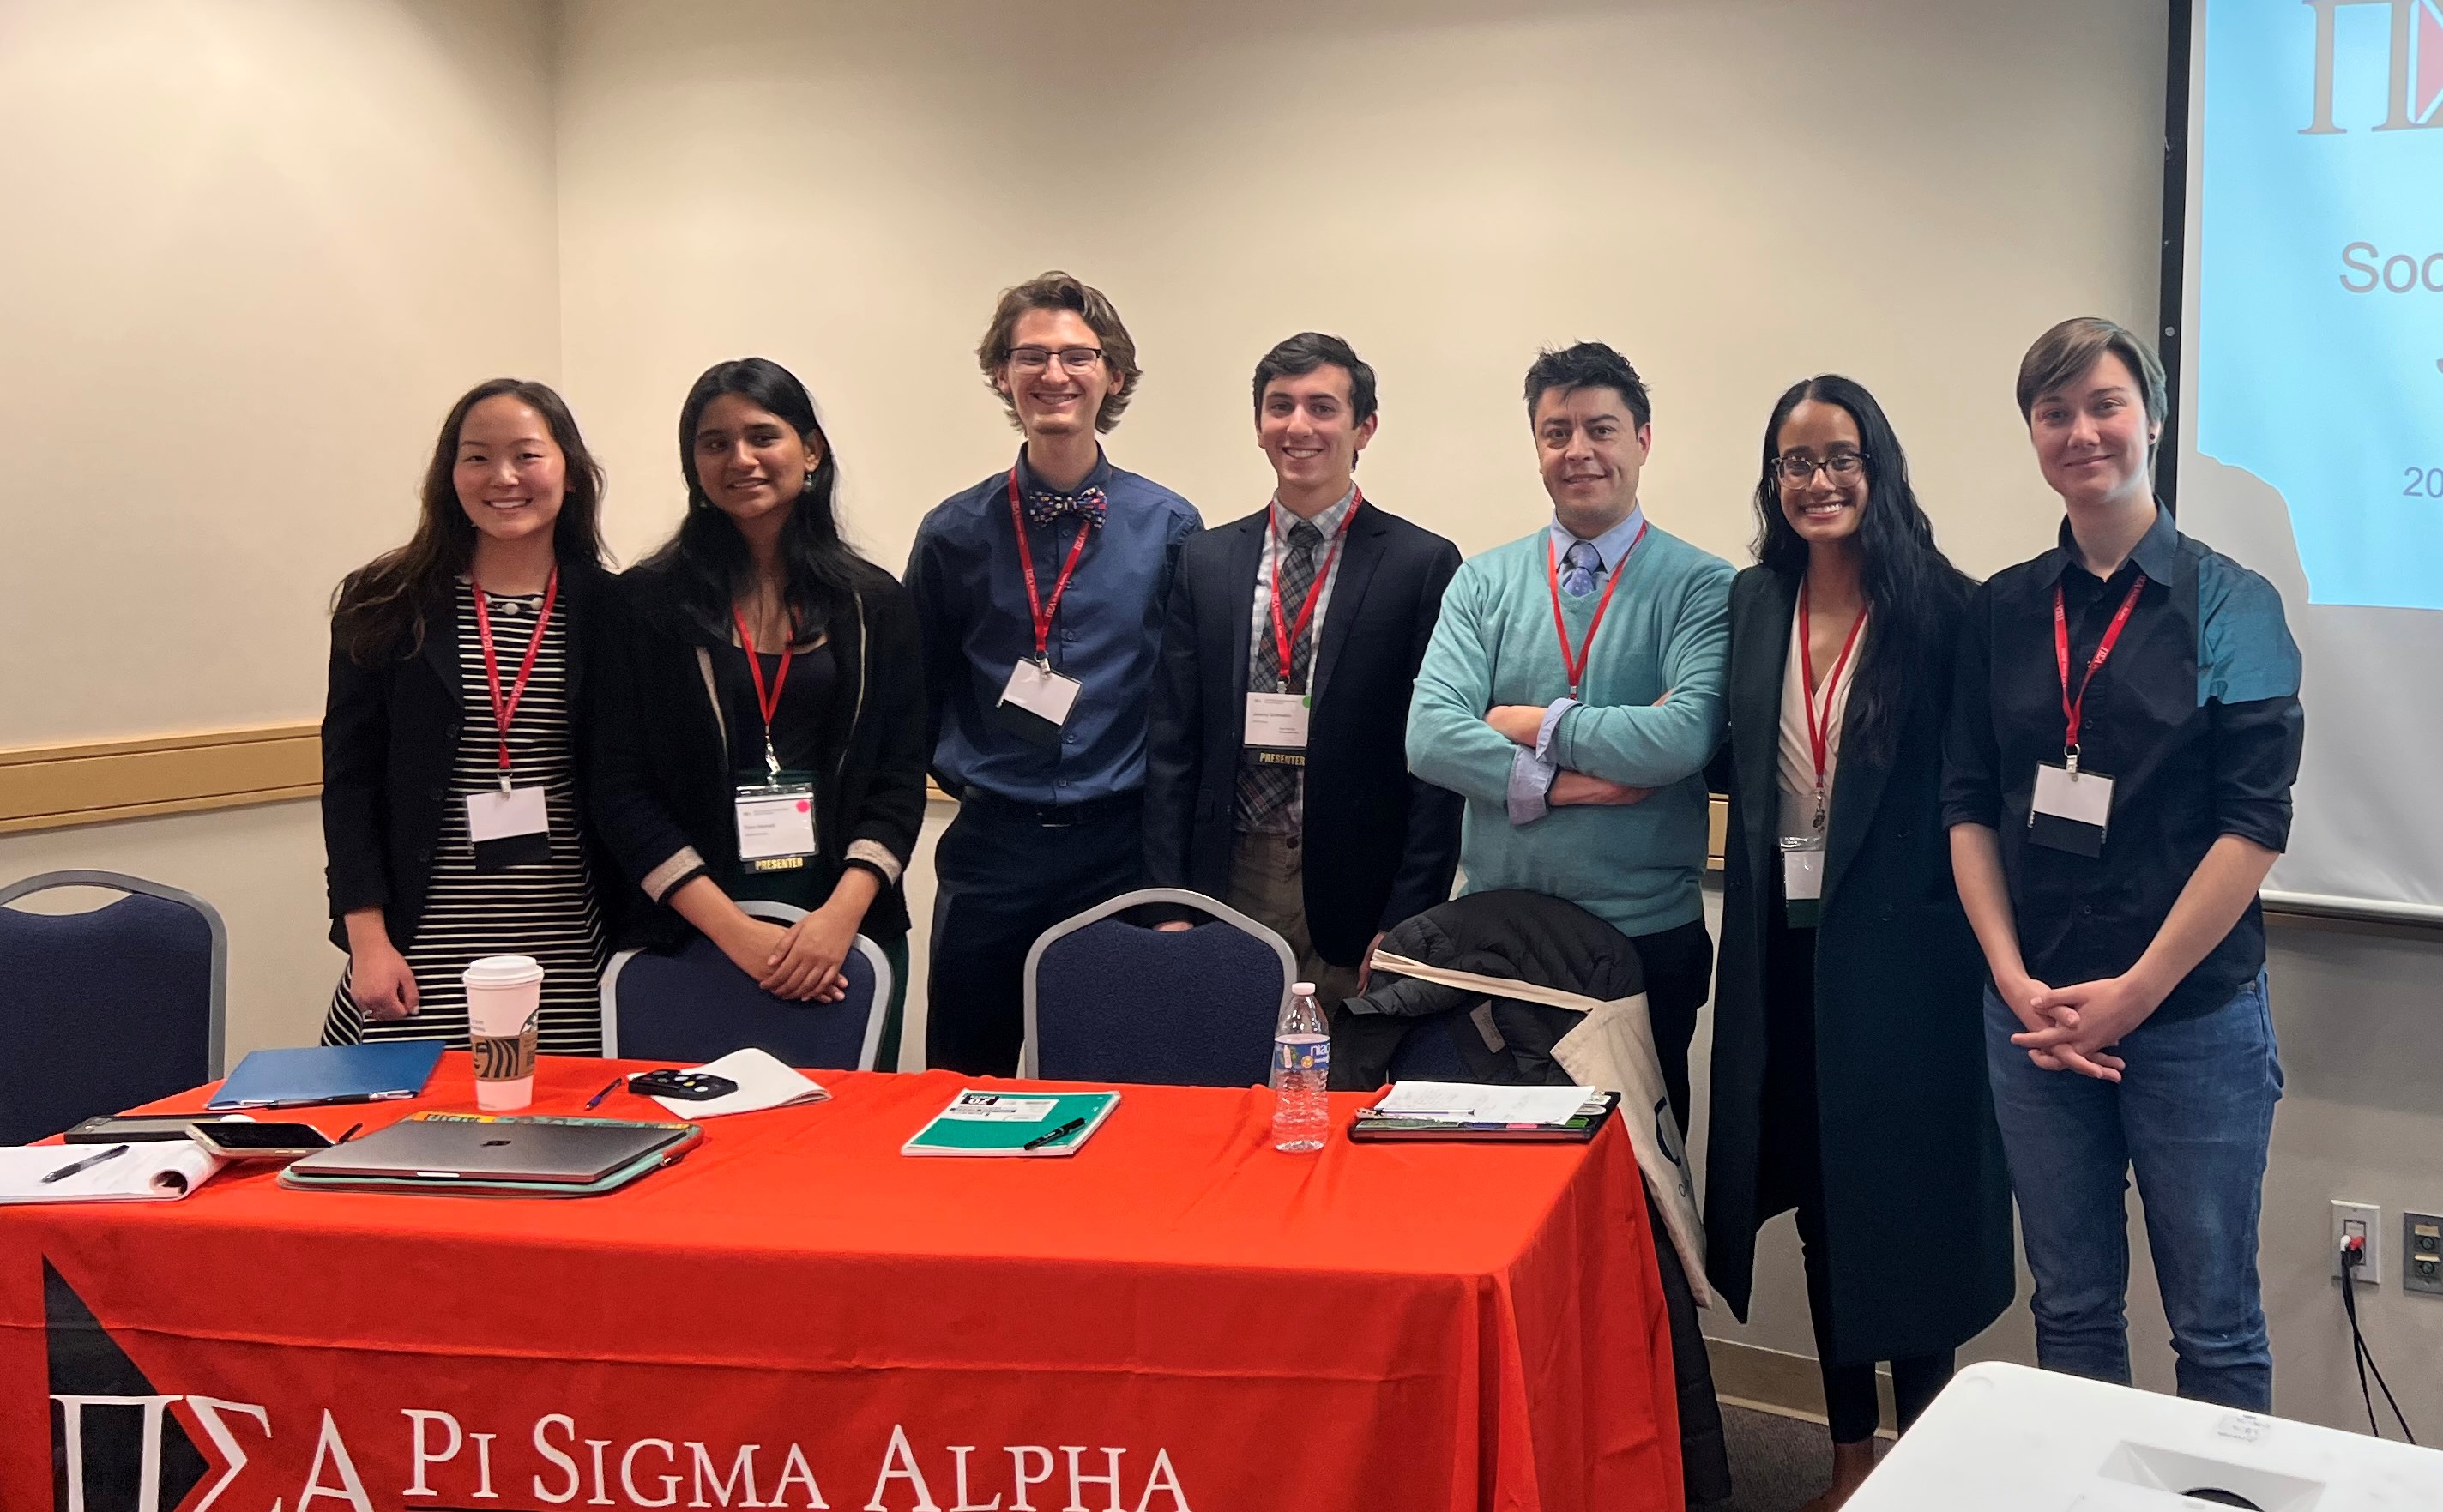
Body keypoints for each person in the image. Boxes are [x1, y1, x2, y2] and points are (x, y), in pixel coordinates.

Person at [1944, 318, 2303, 1410]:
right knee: (2071, 1309)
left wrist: (2132, 997)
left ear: (2149, 416)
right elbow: (1965, 804)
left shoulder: (2236, 603)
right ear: (2033, 435)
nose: (2080, 430)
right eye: (2054, 412)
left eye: (2102, 404)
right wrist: (2013, 981)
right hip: (2037, 1020)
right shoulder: (1999, 608)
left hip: (2190, 1019)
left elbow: (2253, 826)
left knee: (2217, 1324)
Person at [1704, 376, 2014, 1509]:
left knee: (1910, 1208)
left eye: (1839, 457)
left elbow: (1979, 795)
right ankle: (1845, 1456)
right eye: (1795, 462)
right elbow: (1715, 755)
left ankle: (1924, 1455)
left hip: (1910, 970)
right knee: (1826, 1203)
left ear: (1876, 469)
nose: (1818, 480)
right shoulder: (1750, 602)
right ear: (1772, 480)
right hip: (1782, 963)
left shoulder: (1946, 608)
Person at [1407, 341, 1733, 1124]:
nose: (1579, 450)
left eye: (1602, 428)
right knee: (1492, 1176)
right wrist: (1568, 781)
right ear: (1538, 447)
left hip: (1644, 934)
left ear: (1643, 441)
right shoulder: (1483, 580)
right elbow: (1430, 736)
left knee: (1638, 1177)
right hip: (1495, 935)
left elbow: (1681, 740)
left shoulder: (1706, 586)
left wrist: (1530, 723)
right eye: (1557, 432)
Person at [906, 272, 1202, 1075]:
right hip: (992, 849)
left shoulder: (1172, 527)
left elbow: (1186, 703)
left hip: (1119, 848)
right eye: (1030, 355)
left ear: (1112, 374)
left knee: (1122, 1082)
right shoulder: (953, 532)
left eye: (1077, 355)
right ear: (1003, 374)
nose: (1054, 374)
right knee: (966, 1081)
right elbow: (918, 692)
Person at [590, 358, 927, 1063]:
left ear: (810, 450)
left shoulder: (875, 604)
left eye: (761, 435)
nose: (739, 458)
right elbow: (618, 789)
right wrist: (733, 931)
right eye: (714, 442)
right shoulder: (642, 605)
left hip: (845, 923)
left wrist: (840, 915)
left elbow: (899, 778)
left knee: (839, 1144)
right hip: (690, 927)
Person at [1143, 333, 1463, 999]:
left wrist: (1408, 915)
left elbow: (1434, 766)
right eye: (1279, 406)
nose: (1298, 426)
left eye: (1322, 407)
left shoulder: (1420, 563)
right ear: (1259, 425)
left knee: (1342, 1089)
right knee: (1222, 1079)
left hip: (1356, 890)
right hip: (1226, 875)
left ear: (1363, 427)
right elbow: (1173, 743)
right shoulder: (1205, 561)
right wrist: (1169, 900)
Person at [321, 378, 615, 1052]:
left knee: (561, 1133)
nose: (503, 477)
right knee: (403, 1142)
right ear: (449, 475)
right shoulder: (386, 605)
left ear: (569, 472)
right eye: (477, 456)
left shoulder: (613, 610)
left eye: (527, 455)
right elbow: (350, 785)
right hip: (419, 955)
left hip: (570, 955)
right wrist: (368, 940)